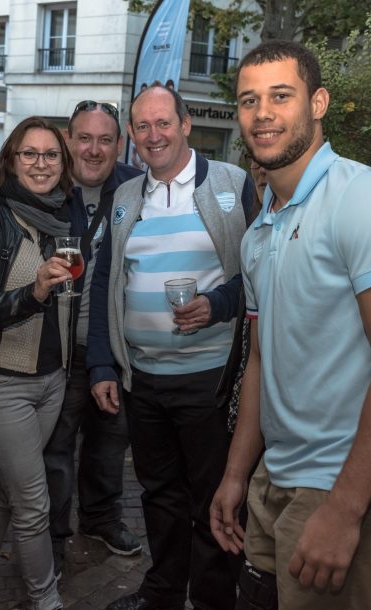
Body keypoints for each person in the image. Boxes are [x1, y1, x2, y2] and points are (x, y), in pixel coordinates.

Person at [209, 41, 371, 610]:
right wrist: (237, 474)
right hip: (279, 477)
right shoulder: (258, 231)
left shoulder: (367, 199)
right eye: (248, 100)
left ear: (318, 103)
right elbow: (262, 360)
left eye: (280, 96)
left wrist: (344, 510)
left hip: (357, 487)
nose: (262, 113)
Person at [87, 83, 255, 610]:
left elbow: (264, 271)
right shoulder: (126, 197)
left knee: (213, 499)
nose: (153, 135)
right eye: (142, 126)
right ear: (132, 136)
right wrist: (100, 363)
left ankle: (209, 600)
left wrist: (218, 304)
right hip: (143, 379)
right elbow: (104, 283)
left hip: (211, 379)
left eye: (164, 123)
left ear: (185, 125)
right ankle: (161, 593)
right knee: (159, 495)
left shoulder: (233, 184)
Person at [0, 117, 78, 610]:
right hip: (2, 385)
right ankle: (45, 601)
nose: (41, 163)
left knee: (3, 494)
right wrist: (34, 293)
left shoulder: (62, 222)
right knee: (32, 504)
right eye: (30, 154)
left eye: (51, 155)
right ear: (10, 160)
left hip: (52, 381)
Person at [42, 100, 143, 576]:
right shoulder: (46, 187)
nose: (94, 149)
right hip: (56, 350)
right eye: (85, 137)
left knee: (108, 445)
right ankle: (54, 536)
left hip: (116, 349)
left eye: (105, 139)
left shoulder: (137, 190)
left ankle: (101, 519)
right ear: (68, 139)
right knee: (57, 448)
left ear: (119, 144)